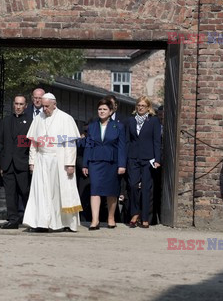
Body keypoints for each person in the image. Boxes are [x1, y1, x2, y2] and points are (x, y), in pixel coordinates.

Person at [23, 93, 82, 232]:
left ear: (54, 104)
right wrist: (32, 162)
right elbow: (33, 143)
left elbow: (70, 144)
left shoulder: (65, 119)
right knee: (41, 193)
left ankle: (64, 223)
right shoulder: (38, 118)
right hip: (42, 160)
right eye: (43, 106)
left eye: (47, 106)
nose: (44, 109)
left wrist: (70, 164)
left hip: (59, 160)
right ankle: (41, 223)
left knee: (59, 193)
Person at [0, 94, 32, 229]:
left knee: (25, 192)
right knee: (10, 193)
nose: (18, 107)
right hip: (8, 163)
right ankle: (13, 219)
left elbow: (30, 143)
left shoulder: (30, 122)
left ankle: (31, 218)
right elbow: (0, 141)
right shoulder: (6, 121)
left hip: (22, 162)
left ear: (25, 106)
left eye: (21, 104)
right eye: (16, 104)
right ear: (13, 104)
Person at [82, 98, 126, 230]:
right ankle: (95, 220)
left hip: (112, 162)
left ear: (111, 111)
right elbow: (88, 146)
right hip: (95, 162)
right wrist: (85, 164)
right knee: (95, 190)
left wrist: (122, 165)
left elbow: (122, 147)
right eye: (100, 109)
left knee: (111, 192)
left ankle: (111, 218)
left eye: (105, 109)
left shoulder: (118, 126)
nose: (101, 112)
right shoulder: (92, 126)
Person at [126, 96, 161, 229]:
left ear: (148, 108)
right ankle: (135, 213)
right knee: (133, 185)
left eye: (143, 105)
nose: (140, 107)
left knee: (146, 188)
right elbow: (128, 140)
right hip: (133, 158)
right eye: (138, 105)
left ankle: (145, 217)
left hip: (148, 159)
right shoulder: (130, 121)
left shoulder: (153, 121)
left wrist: (157, 159)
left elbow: (157, 141)